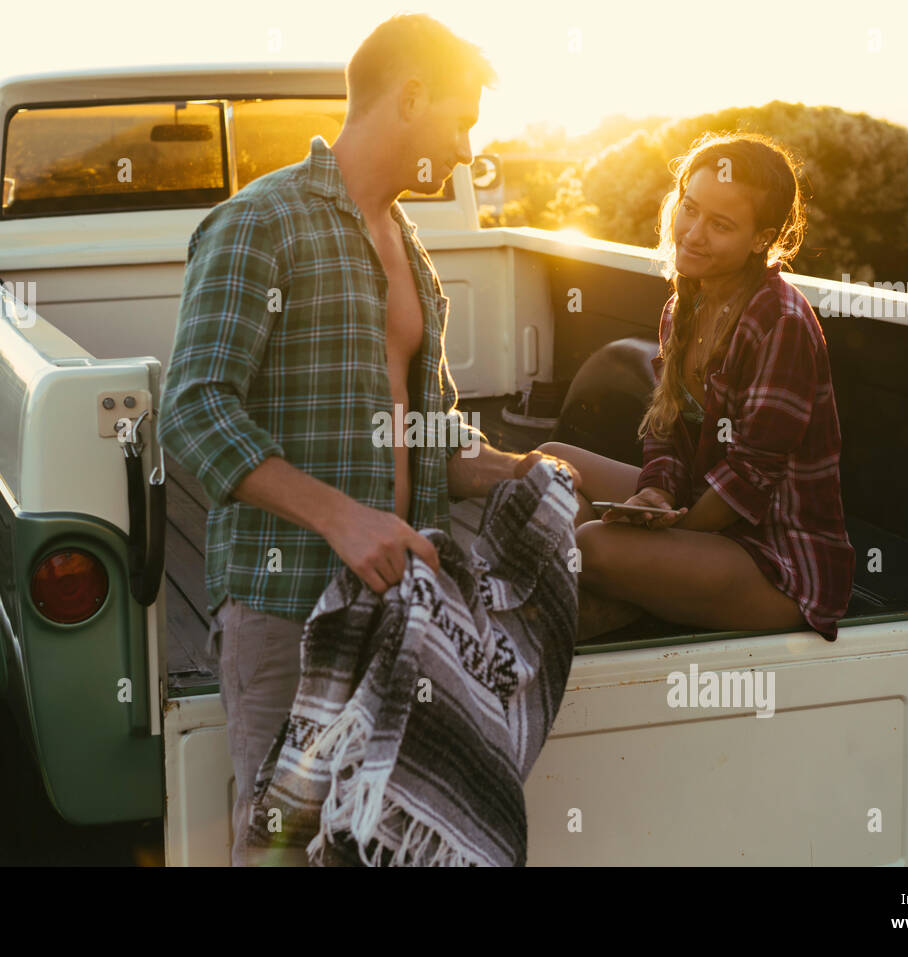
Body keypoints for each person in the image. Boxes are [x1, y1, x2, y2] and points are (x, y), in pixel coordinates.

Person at [157, 14, 581, 866]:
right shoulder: (260, 221)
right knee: (282, 841)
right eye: (461, 119)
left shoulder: (412, 251)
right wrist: (340, 517)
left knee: (379, 837)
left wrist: (522, 470)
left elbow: (429, 436)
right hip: (288, 605)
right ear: (412, 95)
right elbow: (192, 410)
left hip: (399, 608)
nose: (468, 147)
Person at [539, 133, 855, 640]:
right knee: (547, 464)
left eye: (720, 225)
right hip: (698, 513)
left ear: (760, 238)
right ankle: (630, 587)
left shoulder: (780, 322)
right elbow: (664, 428)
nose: (693, 233)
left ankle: (621, 586)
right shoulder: (685, 304)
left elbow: (749, 481)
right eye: (689, 209)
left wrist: (660, 530)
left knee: (593, 546)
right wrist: (657, 494)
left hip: (773, 558)